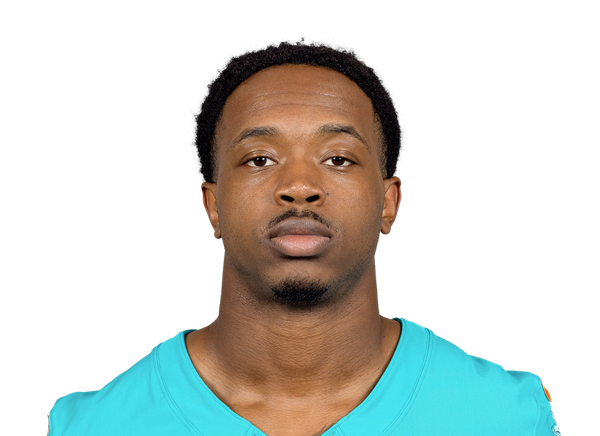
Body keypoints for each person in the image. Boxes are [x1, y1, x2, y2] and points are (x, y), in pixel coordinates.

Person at [47, 37, 560, 436]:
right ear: (212, 204)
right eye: (259, 159)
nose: (298, 187)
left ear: (389, 202)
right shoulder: (87, 427)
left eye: (338, 158)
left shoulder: (509, 417)